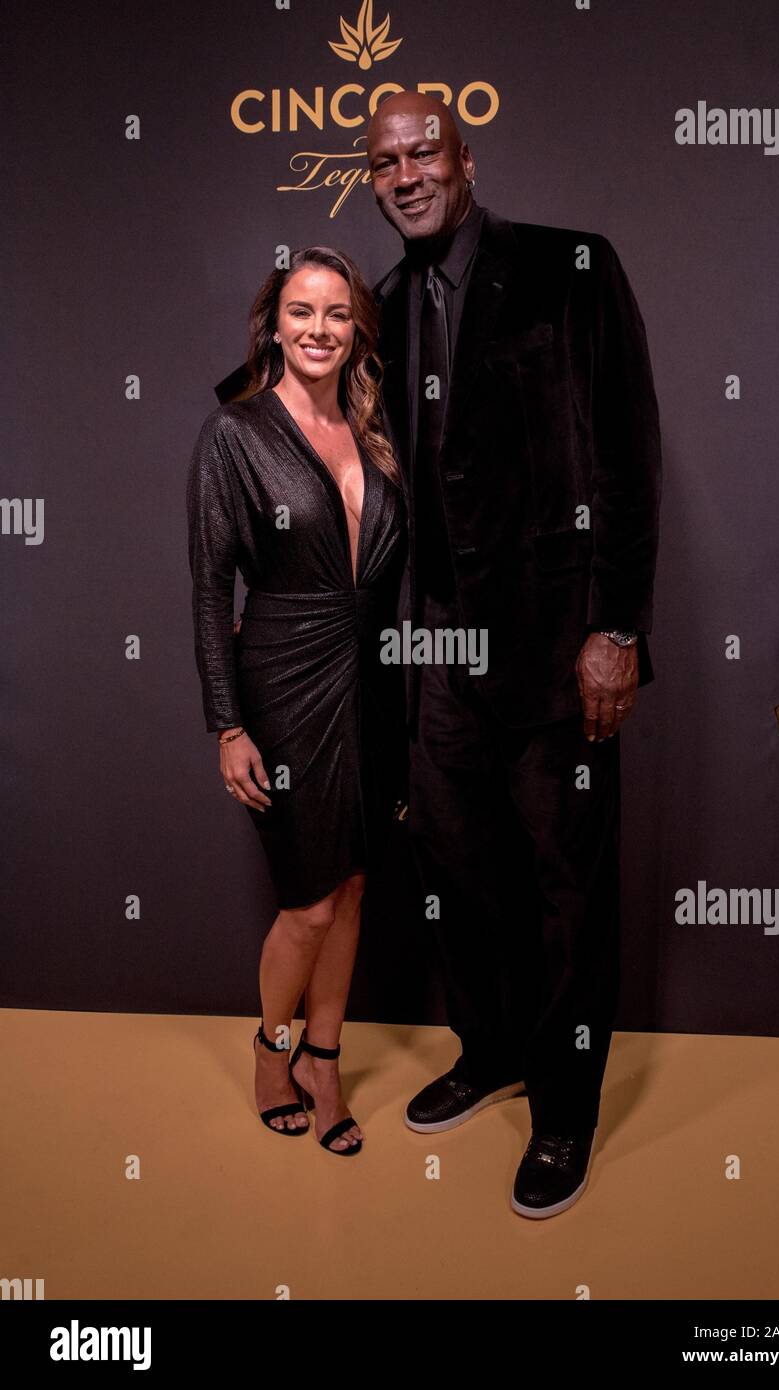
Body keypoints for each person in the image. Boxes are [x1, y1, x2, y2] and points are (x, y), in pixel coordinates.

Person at [366, 92, 662, 1216]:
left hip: (556, 647)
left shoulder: (570, 267)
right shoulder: (382, 308)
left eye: (423, 153)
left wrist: (616, 628)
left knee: (565, 889)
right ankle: (487, 1047)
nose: (406, 176)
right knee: (456, 869)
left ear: (464, 158)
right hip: (442, 647)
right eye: (384, 162)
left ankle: (565, 1109)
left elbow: (630, 454)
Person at [186, 248, 405, 1155]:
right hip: (282, 683)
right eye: (301, 312)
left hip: (373, 682)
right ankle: (272, 1051)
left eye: (337, 314)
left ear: (357, 331)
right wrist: (226, 724)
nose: (319, 329)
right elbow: (209, 591)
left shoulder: (372, 428)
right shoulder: (233, 436)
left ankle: (325, 1058)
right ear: (273, 325)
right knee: (309, 901)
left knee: (353, 886)